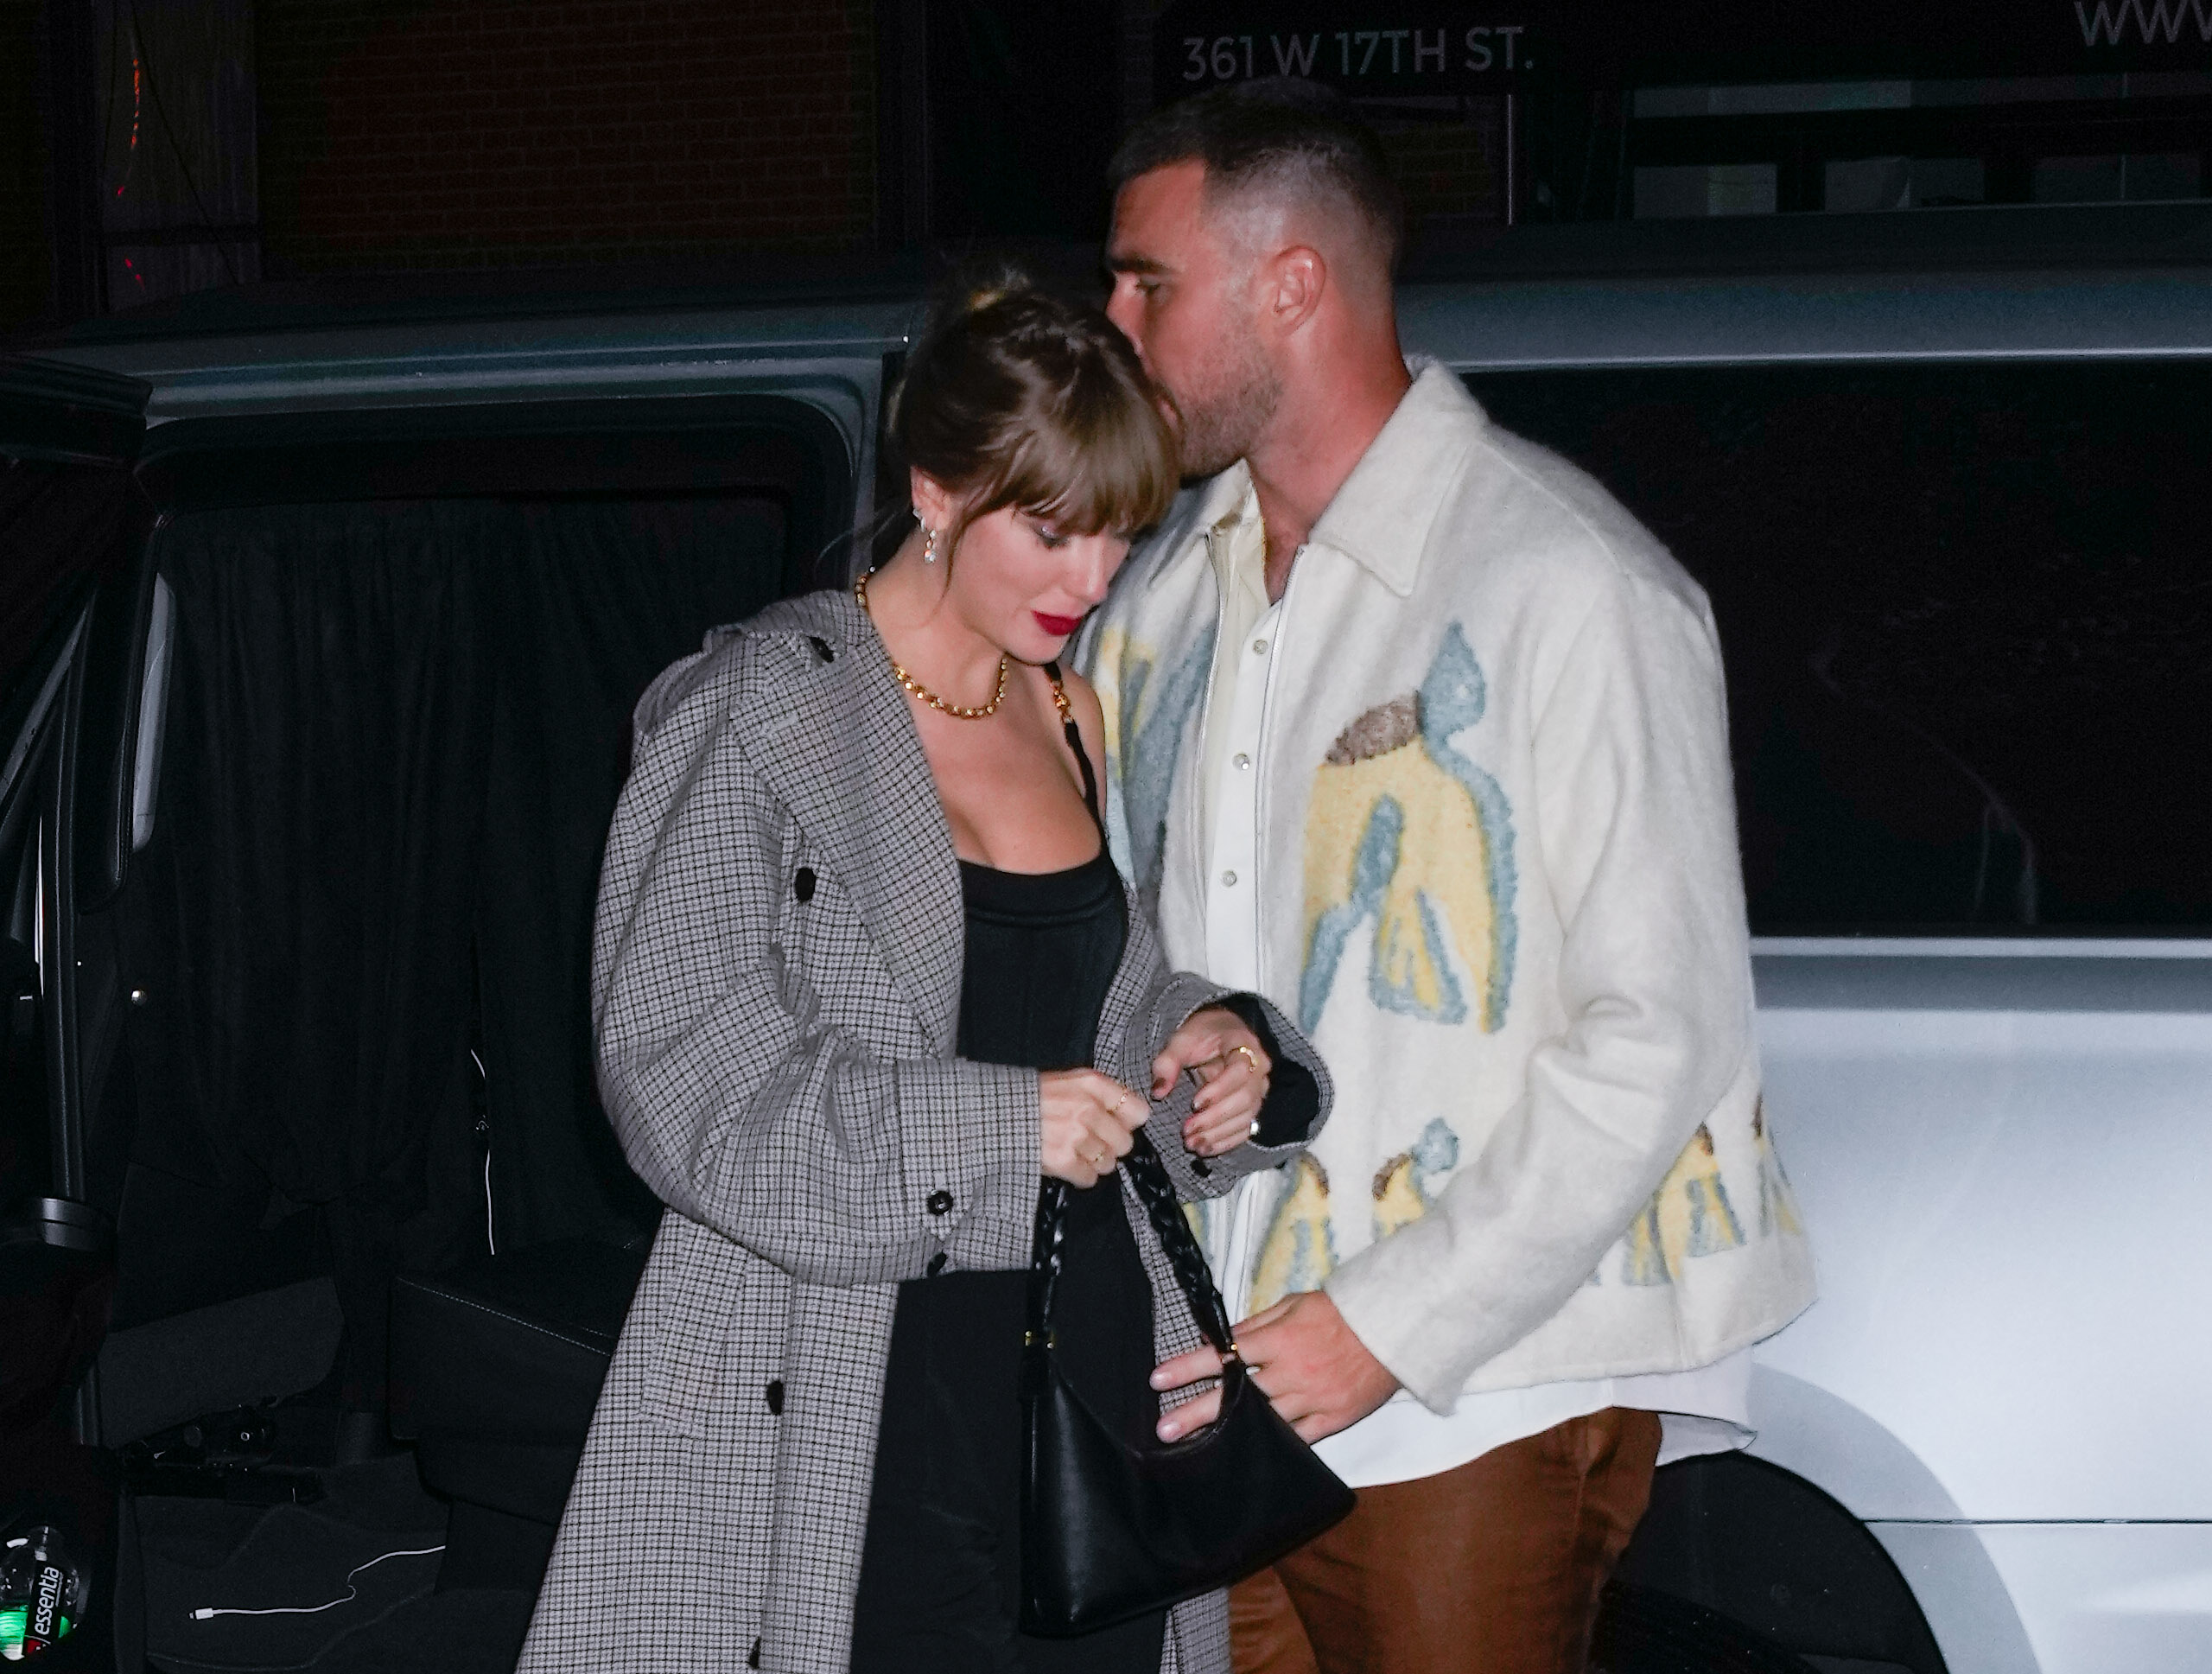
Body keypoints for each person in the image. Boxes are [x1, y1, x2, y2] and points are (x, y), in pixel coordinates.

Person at [1078, 82, 1815, 1674]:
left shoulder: (1565, 581)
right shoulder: (1166, 604)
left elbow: (1662, 1028)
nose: (1112, 323)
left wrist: (1385, 1328)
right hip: (1225, 1387)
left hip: (1474, 1398)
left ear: (1293, 285)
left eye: (1149, 282)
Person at [517, 280, 1329, 1674]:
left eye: (1122, 534)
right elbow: (674, 1069)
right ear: (937, 489)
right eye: (1053, 528)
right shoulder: (764, 704)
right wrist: (999, 1126)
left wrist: (1205, 1038)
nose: (1090, 580)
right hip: (841, 1376)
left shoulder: (1065, 701)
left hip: (1080, 1363)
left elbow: (1087, 994)